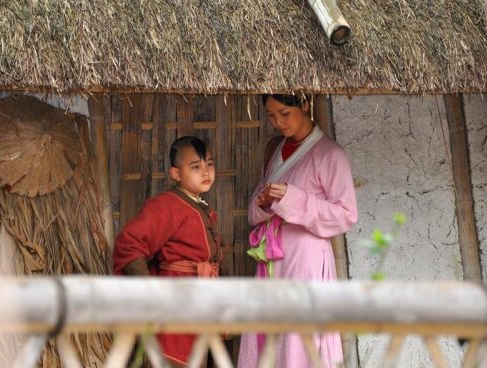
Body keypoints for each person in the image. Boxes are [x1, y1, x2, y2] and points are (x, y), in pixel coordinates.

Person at [237, 94, 358, 368]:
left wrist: (293, 199)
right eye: (271, 115)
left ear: (304, 104)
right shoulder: (274, 149)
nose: (278, 122)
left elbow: (346, 214)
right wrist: (265, 203)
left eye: (284, 113)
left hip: (305, 258)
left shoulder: (330, 154)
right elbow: (256, 207)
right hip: (270, 257)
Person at [113, 135, 221, 367]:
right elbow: (129, 244)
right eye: (195, 167)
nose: (205, 172)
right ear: (176, 173)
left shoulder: (201, 206)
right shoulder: (166, 205)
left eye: (209, 164)